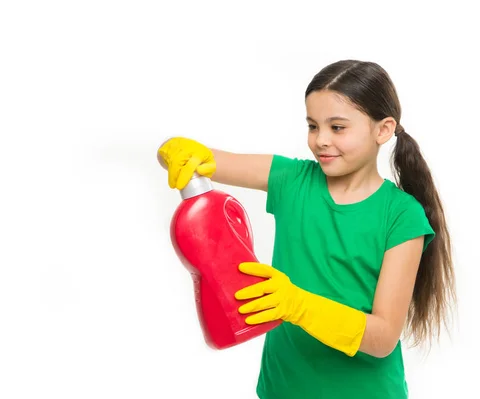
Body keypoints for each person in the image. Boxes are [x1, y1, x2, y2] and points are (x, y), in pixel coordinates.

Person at [157, 60, 456, 399]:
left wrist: (296, 304)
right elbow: (203, 160)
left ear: (383, 130)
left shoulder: (401, 215)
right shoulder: (291, 179)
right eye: (313, 126)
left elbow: (383, 337)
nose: (320, 141)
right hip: (282, 389)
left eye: (337, 127)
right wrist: (175, 150)